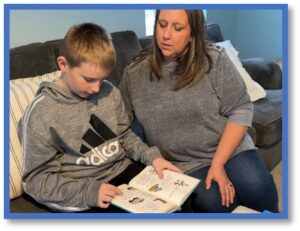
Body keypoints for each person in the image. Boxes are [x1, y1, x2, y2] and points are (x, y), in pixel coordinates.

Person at [119, 10, 279, 213]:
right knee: (215, 203)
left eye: (177, 28)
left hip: (229, 146)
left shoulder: (214, 60)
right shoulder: (134, 74)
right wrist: (152, 157)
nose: (166, 35)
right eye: (162, 24)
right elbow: (123, 128)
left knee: (258, 188)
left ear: (193, 33)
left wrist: (218, 164)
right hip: (183, 162)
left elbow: (241, 107)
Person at [18, 23, 181, 213]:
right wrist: (90, 192)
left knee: (177, 205)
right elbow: (36, 181)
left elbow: (124, 135)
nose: (97, 89)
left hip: (125, 172)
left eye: (102, 79)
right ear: (63, 64)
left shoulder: (109, 91)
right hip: (84, 188)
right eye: (88, 79)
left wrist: (151, 157)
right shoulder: (42, 112)